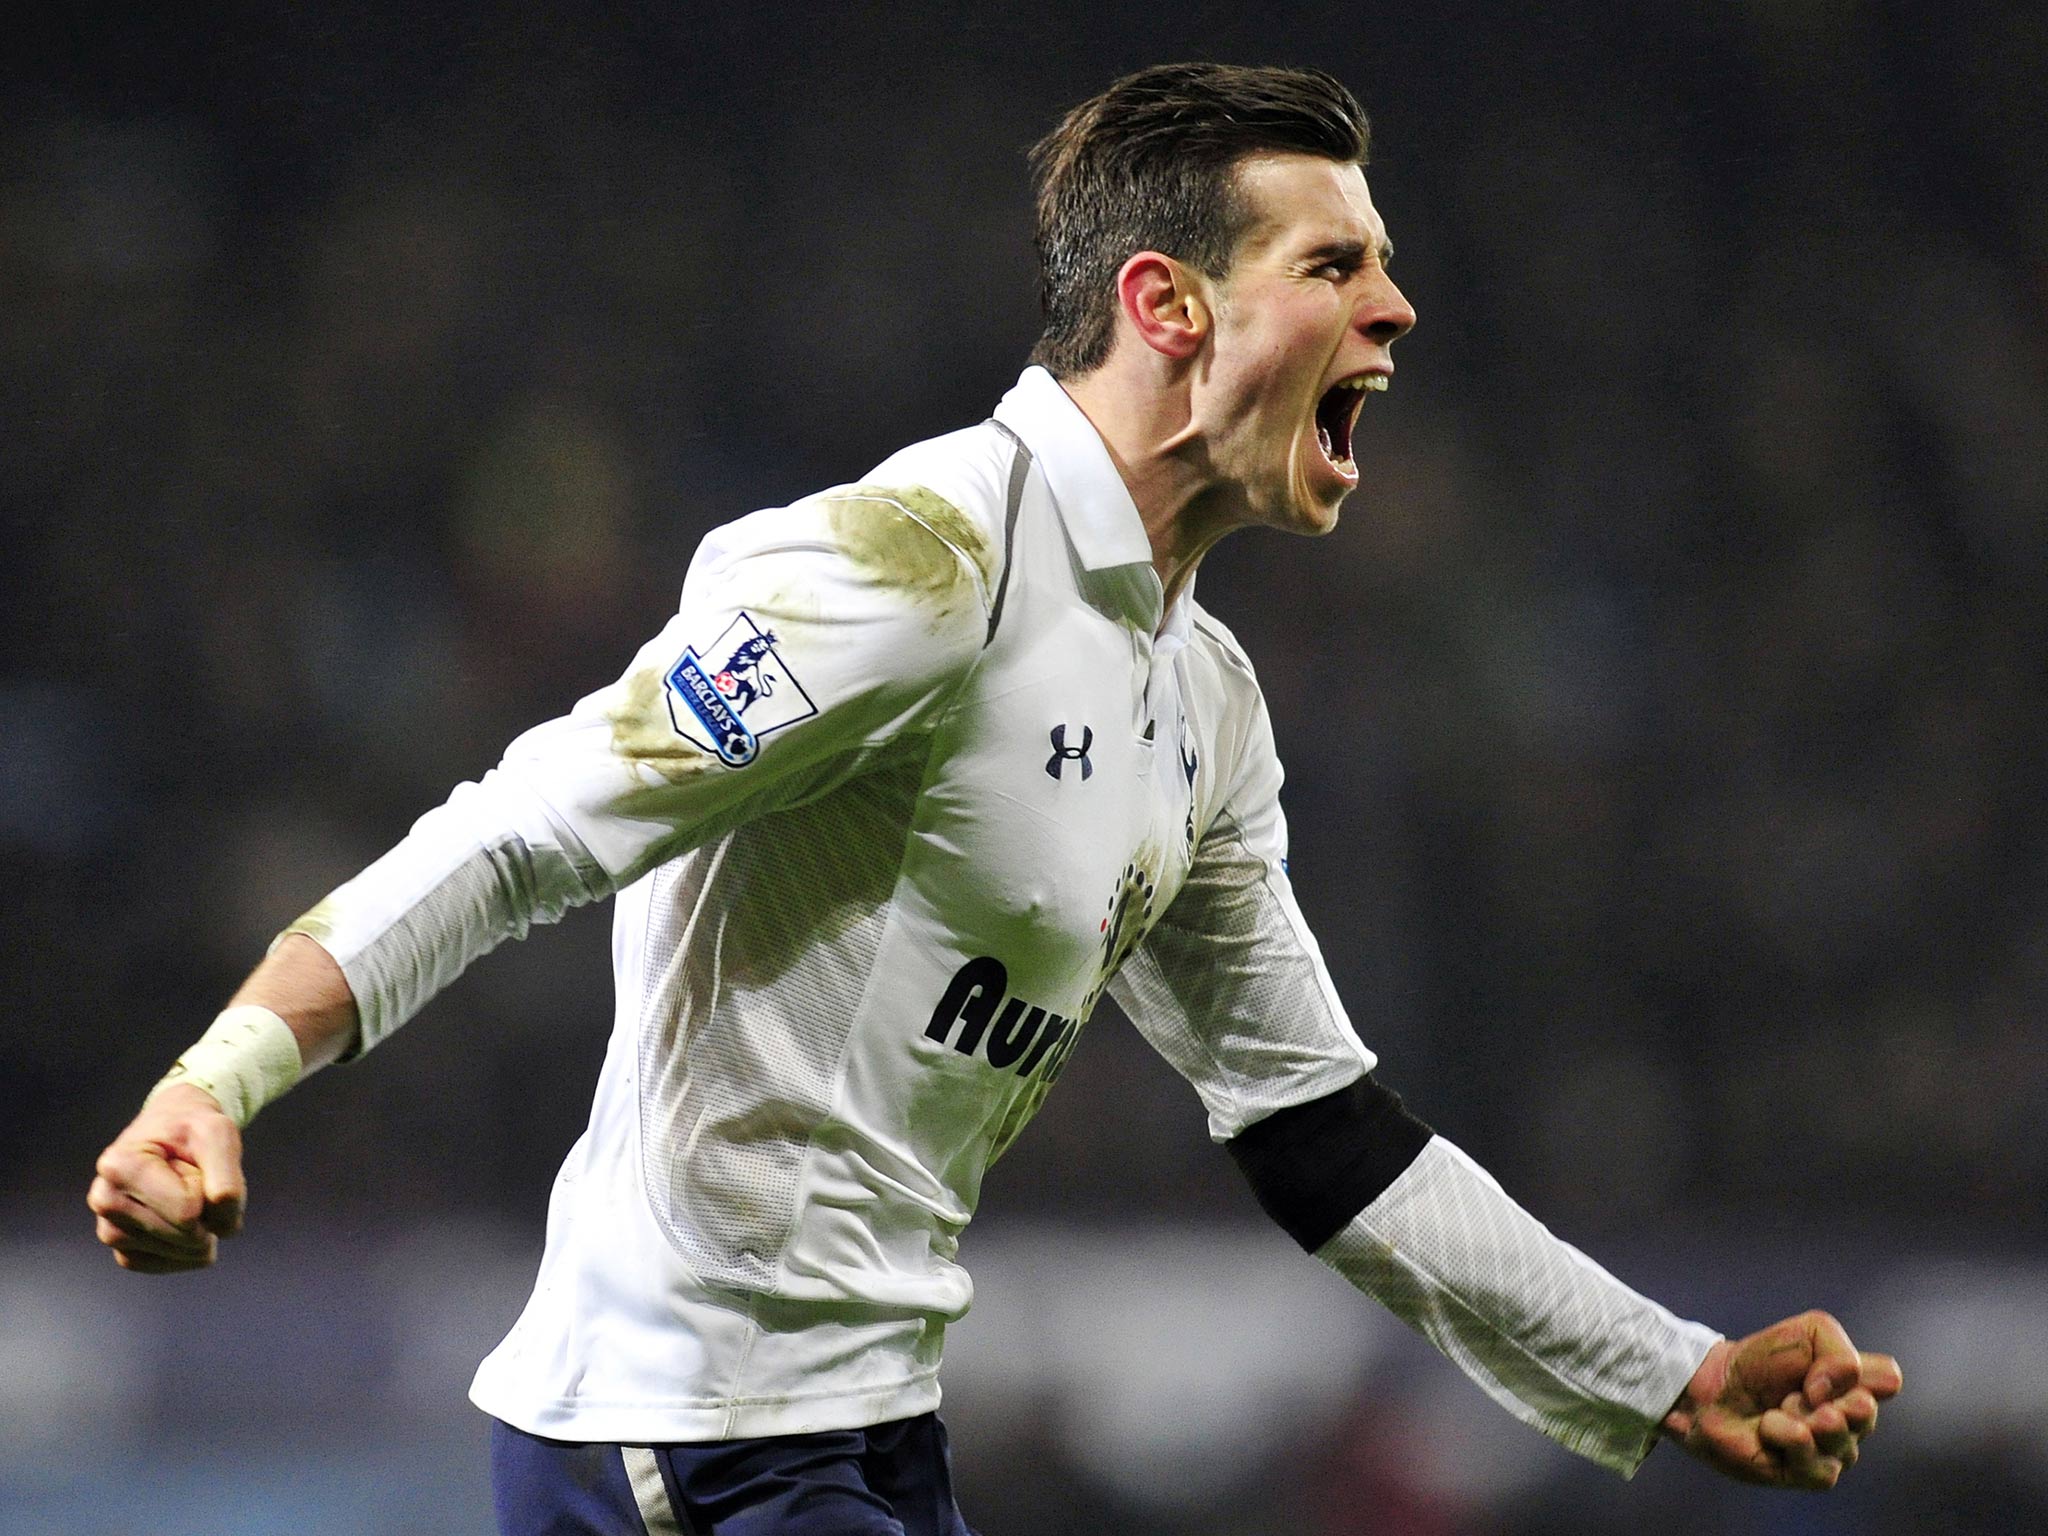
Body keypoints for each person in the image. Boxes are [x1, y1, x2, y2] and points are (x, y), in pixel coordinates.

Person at [88, 62, 1900, 1534]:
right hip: (678, 1440)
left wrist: (1664, 1367)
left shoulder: (1200, 698)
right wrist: (217, 1080)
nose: (1398, 303)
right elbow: (525, 830)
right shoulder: (921, 561)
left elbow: (1324, 1134)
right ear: (1165, 305)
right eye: (1335, 264)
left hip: (866, 1433)